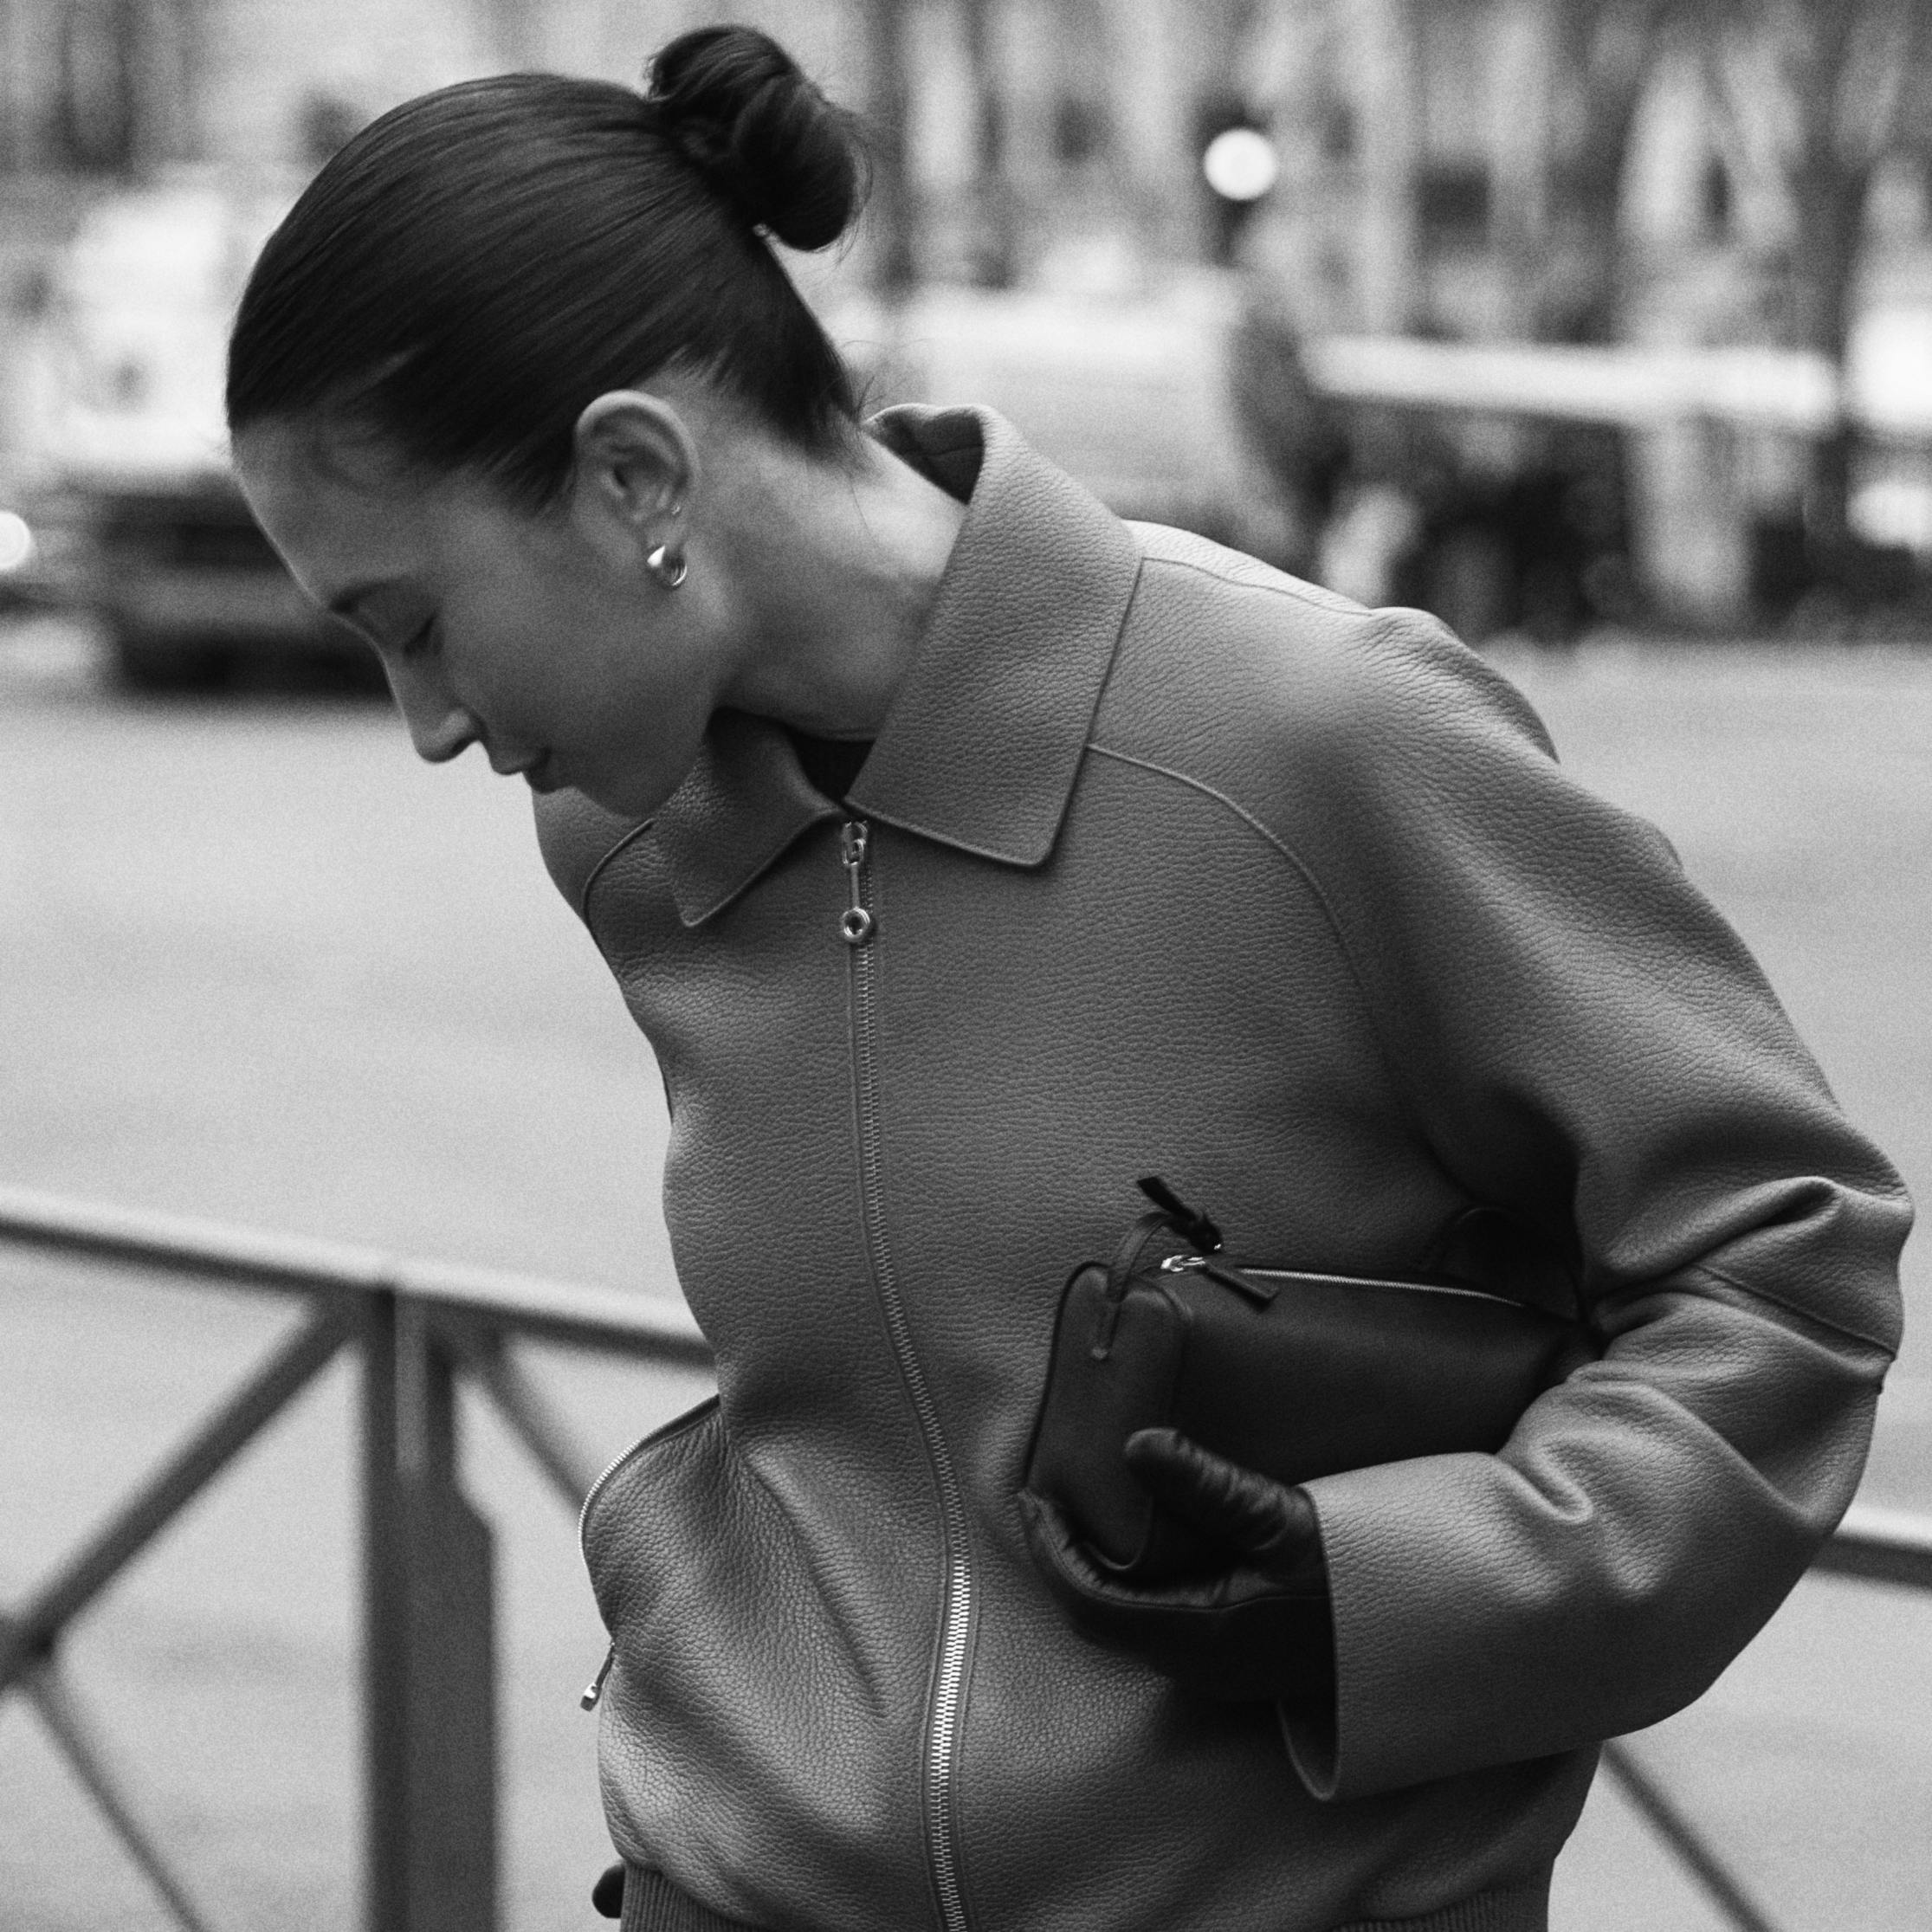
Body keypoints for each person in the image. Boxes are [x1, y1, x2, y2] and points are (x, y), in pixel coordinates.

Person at [227, 27, 1910, 1932]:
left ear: (634, 478)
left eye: (414, 622)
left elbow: (1788, 1253)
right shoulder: (630, 839)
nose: (427, 723)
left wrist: (1417, 1581)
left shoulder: (1313, 736)